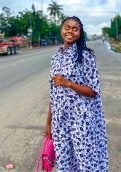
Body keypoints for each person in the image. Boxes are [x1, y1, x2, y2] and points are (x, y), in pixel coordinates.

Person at [45, 16, 108, 172]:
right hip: (60, 119)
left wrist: (69, 84)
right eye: (67, 27)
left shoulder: (86, 56)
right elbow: (53, 94)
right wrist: (49, 122)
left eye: (75, 29)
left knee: (85, 161)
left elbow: (93, 91)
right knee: (64, 161)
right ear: (61, 30)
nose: (70, 31)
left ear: (80, 33)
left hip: (81, 119)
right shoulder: (56, 57)